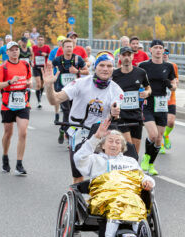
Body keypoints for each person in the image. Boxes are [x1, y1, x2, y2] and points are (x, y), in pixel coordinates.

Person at [73, 119, 155, 237]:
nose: (114, 144)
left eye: (118, 142)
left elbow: (142, 177)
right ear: (102, 145)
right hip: (103, 197)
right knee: (118, 202)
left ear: (122, 147)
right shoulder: (95, 159)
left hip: (128, 196)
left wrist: (149, 181)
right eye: (110, 141)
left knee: (138, 203)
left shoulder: (130, 161)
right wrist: (96, 137)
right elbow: (78, 158)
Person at [43, 51, 122, 184]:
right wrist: (49, 85)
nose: (105, 69)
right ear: (95, 67)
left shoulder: (116, 90)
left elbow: (116, 109)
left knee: (101, 175)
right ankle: (78, 201)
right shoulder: (80, 83)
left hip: (100, 133)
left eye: (109, 66)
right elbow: (54, 100)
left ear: (113, 69)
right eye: (102, 65)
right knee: (78, 176)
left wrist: (115, 112)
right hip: (79, 131)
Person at [0, 41, 33, 176]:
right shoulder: (3, 67)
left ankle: (19, 164)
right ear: (7, 53)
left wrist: (29, 83)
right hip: (7, 104)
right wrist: (9, 82)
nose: (15, 52)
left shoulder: (25, 64)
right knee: (8, 133)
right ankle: (5, 156)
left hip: (23, 103)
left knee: (23, 132)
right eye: (12, 50)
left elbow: (29, 80)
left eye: (16, 49)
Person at [138, 40, 177, 175]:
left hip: (161, 104)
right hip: (148, 103)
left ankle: (151, 164)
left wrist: (170, 85)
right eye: (156, 48)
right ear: (151, 50)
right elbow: (137, 81)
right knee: (153, 135)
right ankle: (146, 157)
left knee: (159, 138)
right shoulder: (143, 66)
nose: (159, 50)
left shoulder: (169, 66)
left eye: (161, 48)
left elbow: (174, 86)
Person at [112, 46, 151, 154]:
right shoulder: (114, 75)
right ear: (119, 57)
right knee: (128, 147)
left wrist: (146, 93)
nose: (126, 58)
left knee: (135, 150)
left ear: (132, 56)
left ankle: (133, 169)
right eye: (124, 55)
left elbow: (148, 87)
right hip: (121, 116)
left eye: (129, 55)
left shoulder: (141, 72)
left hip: (136, 115)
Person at [51, 38, 89, 143]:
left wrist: (77, 71)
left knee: (75, 113)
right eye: (67, 47)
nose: (69, 49)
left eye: (71, 47)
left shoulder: (78, 59)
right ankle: (67, 133)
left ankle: (64, 129)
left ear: (73, 48)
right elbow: (49, 67)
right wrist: (52, 76)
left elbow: (87, 72)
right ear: (62, 48)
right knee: (67, 111)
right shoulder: (58, 60)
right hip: (62, 89)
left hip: (76, 90)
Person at [161, 48, 179, 154]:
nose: (165, 54)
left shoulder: (173, 66)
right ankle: (161, 144)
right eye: (163, 53)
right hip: (159, 99)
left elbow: (177, 80)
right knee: (162, 122)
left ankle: (166, 135)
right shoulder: (155, 66)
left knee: (171, 122)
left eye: (167, 53)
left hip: (171, 98)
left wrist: (174, 83)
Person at [32, 35, 51, 108]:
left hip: (44, 68)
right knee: (38, 84)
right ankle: (38, 101)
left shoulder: (47, 47)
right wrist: (32, 62)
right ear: (37, 40)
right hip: (36, 67)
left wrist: (46, 54)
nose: (40, 41)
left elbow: (50, 56)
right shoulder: (34, 47)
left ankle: (39, 95)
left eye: (42, 39)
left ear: (44, 41)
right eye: (39, 39)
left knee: (42, 85)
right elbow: (31, 55)